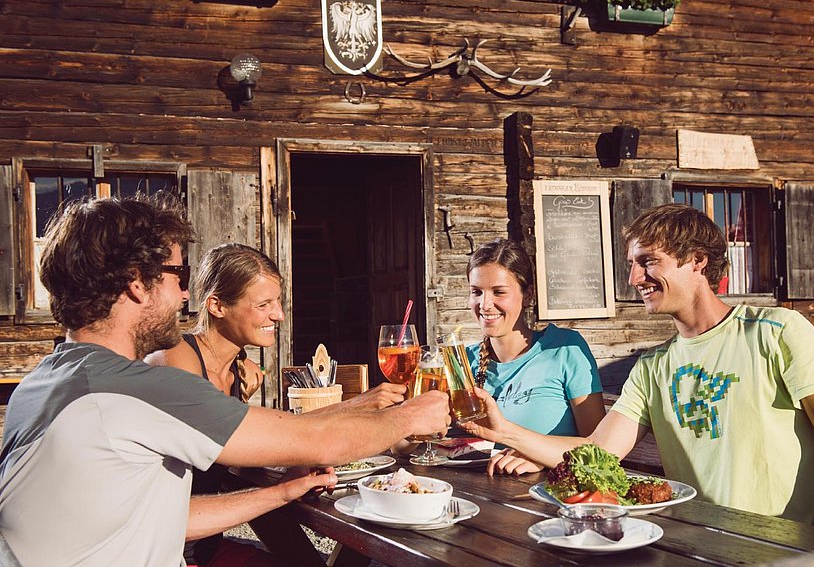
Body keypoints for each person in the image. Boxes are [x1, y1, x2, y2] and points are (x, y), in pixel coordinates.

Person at [0, 195, 450, 565]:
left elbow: (166, 516)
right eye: (177, 275)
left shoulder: (43, 382)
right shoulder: (136, 388)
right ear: (137, 283)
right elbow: (323, 440)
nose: (183, 294)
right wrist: (413, 414)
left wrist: (282, 491)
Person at [463, 204, 814, 531]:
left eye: (648, 262)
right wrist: (506, 432)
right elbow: (598, 452)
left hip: (782, 551)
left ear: (697, 261)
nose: (635, 277)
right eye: (633, 264)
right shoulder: (653, 366)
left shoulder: (777, 331)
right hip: (689, 547)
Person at [146, 243, 408, 565]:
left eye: (278, 301)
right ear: (216, 305)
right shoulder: (176, 361)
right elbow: (241, 440)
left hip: (205, 546)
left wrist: (300, 466)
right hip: (168, 554)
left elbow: (254, 442)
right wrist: (362, 409)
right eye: (263, 304)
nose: (279, 315)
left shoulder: (236, 373)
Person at [465, 238, 605, 474]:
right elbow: (408, 446)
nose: (485, 304)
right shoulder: (464, 360)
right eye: (476, 292)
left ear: (527, 295)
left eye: (498, 292)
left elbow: (600, 452)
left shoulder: (564, 349)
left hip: (549, 501)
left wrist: (543, 457)